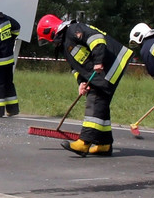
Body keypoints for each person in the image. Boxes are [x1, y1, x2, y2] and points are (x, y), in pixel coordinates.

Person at [36, 14, 133, 157]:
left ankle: (84, 142)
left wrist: (98, 61)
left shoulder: (73, 29)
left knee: (96, 98)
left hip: (111, 64)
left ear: (50, 31)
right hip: (103, 69)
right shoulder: (65, 43)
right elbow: (76, 67)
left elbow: (97, 39)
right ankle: (103, 144)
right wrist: (81, 82)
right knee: (101, 103)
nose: (50, 43)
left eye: (47, 40)